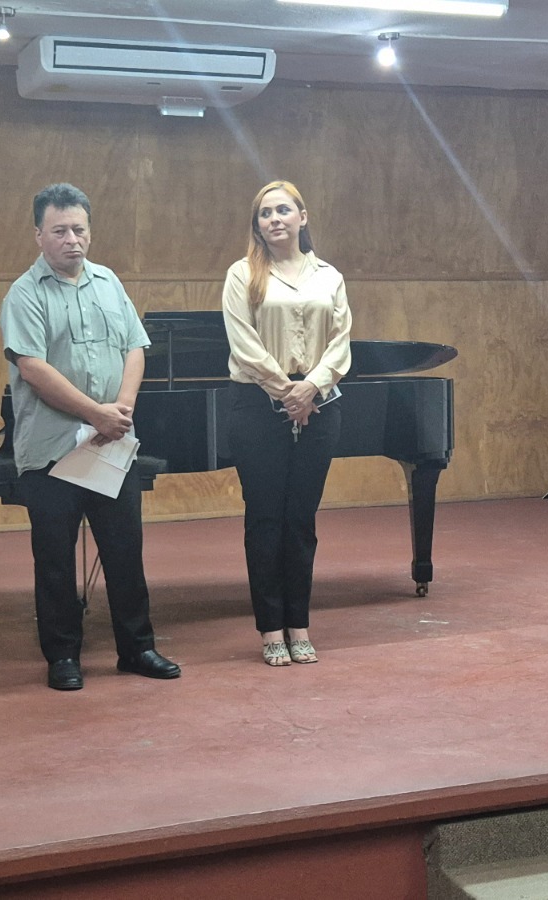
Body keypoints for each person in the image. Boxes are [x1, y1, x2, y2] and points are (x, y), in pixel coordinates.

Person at [0, 183, 181, 690]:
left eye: (79, 230)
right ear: (39, 235)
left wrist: (120, 409)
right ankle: (62, 656)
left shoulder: (109, 282)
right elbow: (32, 368)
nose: (71, 240)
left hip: (112, 444)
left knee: (125, 551)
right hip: (52, 450)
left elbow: (135, 347)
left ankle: (137, 648)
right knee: (55, 560)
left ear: (90, 232)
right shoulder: (24, 293)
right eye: (59, 231)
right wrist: (95, 413)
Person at [221, 181, 352, 667]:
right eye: (265, 213)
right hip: (259, 406)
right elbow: (243, 344)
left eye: (283, 210)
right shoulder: (242, 274)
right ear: (257, 225)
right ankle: (271, 629)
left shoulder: (329, 276)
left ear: (302, 216)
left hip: (319, 405)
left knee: (301, 520)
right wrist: (288, 391)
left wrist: (311, 387)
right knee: (265, 519)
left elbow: (341, 343)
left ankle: (299, 624)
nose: (274, 219)